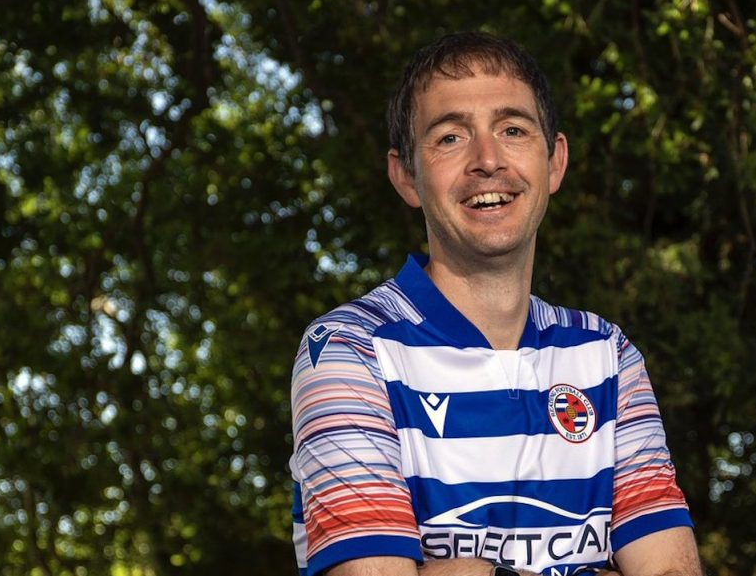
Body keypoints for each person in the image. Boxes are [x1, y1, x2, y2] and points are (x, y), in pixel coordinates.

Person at [289, 32, 703, 576]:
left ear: (554, 161)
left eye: (512, 129)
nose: (488, 160)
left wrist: (469, 571)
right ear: (406, 176)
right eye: (451, 137)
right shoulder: (348, 352)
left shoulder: (607, 353)